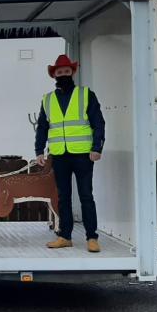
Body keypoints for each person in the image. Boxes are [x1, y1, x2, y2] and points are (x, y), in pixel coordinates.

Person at [35, 54, 105, 253]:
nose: (63, 74)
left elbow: (98, 123)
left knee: (86, 196)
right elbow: (42, 127)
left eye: (67, 71)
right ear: (54, 75)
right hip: (59, 155)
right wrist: (39, 150)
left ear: (72, 73)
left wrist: (97, 148)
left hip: (83, 155)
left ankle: (92, 237)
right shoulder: (47, 99)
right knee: (63, 197)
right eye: (60, 72)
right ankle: (65, 236)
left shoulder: (86, 94)